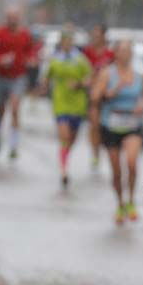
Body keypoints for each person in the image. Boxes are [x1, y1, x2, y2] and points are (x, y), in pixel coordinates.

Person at [90, 40, 143, 223]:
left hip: (132, 124)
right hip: (111, 124)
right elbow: (94, 97)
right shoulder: (107, 73)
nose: (125, 53)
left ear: (131, 54)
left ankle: (131, 200)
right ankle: (120, 204)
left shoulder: (140, 76)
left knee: (132, 163)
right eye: (121, 50)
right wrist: (113, 91)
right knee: (116, 172)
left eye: (128, 50)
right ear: (115, 53)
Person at [43, 27, 92, 188]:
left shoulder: (80, 60)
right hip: (61, 103)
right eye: (64, 40)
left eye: (69, 40)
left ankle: (65, 156)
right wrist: (42, 87)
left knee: (72, 138)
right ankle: (64, 170)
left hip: (78, 105)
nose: (67, 43)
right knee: (64, 136)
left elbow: (90, 78)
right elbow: (46, 77)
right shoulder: (55, 59)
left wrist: (79, 84)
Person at [0, 8, 33, 159]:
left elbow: (30, 51)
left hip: (17, 77)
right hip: (0, 76)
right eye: (10, 17)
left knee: (15, 107)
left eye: (15, 17)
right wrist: (0, 59)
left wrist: (30, 59)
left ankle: (13, 144)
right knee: (1, 109)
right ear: (6, 18)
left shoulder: (25, 34)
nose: (13, 20)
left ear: (19, 18)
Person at [83, 24, 115, 168]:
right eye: (93, 34)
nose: (95, 37)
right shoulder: (87, 52)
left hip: (108, 95)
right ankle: (95, 153)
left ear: (103, 36)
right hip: (92, 94)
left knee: (105, 125)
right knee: (94, 124)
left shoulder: (110, 54)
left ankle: (108, 148)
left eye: (98, 34)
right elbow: (82, 70)